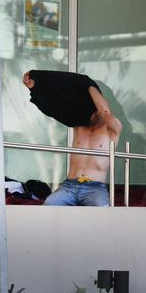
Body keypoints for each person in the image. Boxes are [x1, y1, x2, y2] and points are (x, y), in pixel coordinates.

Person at [22, 71, 122, 206]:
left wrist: (89, 86)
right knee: (48, 207)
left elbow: (105, 113)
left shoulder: (113, 127)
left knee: (101, 216)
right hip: (70, 185)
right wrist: (34, 88)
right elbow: (54, 106)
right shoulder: (79, 126)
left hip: (95, 188)